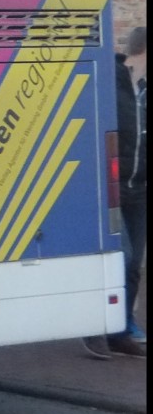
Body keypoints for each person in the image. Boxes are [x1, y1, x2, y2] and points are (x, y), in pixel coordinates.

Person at [84, 25, 146, 359]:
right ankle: (95, 328)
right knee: (122, 257)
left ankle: (121, 330)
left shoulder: (144, 91)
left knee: (134, 264)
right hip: (111, 189)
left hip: (139, 189)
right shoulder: (111, 81)